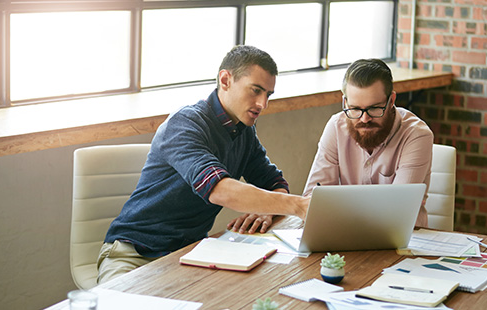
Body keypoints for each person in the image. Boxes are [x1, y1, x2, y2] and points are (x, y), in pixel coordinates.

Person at [98, 45, 309, 284]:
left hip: (190, 255)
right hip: (135, 255)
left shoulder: (243, 130)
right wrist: (299, 206)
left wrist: (268, 209)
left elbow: (274, 182)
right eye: (255, 90)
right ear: (225, 80)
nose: (262, 104)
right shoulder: (185, 123)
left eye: (268, 94)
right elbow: (219, 190)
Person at [303, 58, 433, 228]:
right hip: (344, 234)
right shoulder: (336, 126)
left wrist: (337, 205)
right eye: (355, 109)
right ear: (345, 102)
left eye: (374, 108)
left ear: (391, 100)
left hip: (403, 241)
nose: (364, 119)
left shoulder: (416, 135)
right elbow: (312, 201)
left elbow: (398, 211)